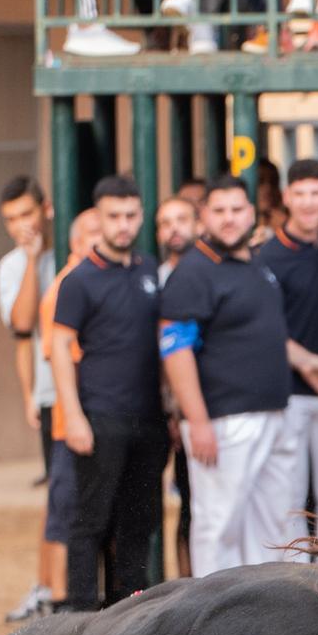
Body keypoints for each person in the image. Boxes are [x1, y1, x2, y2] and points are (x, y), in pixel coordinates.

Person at [161, 174, 318, 576]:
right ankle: (211, 623)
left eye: (237, 209)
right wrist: (198, 419)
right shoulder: (193, 272)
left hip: (274, 413)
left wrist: (306, 360)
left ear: (251, 213)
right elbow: (175, 349)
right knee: (219, 526)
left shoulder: (256, 264)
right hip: (223, 422)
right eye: (219, 210)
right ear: (204, 215)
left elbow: (266, 332)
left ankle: (256, 624)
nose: (229, 219)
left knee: (270, 528)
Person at [49, 175, 165, 612]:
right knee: (91, 521)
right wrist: (74, 416)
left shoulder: (151, 270)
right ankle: (79, 618)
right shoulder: (79, 279)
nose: (123, 225)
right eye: (114, 216)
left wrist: (169, 410)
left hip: (149, 418)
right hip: (100, 417)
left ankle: (130, 614)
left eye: (131, 215)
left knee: (140, 522)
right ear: (99, 218)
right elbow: (60, 347)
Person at [256, 158, 318, 551]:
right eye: (300, 193)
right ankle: (293, 583)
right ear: (287, 197)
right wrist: (305, 361)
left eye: (316, 193)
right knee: (289, 499)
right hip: (288, 395)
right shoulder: (267, 256)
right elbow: (264, 327)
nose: (308, 202)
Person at [0, 177, 64, 621]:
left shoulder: (76, 244)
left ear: (46, 209)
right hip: (50, 394)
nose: (21, 225)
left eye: (27, 213)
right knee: (59, 496)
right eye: (11, 219)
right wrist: (27, 396)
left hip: (91, 388)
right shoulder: (12, 266)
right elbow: (22, 328)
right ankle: (46, 589)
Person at [34, 207, 104, 612]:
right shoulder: (67, 286)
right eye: (92, 231)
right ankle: (58, 599)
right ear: (75, 242)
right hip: (70, 420)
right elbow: (65, 357)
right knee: (66, 510)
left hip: (94, 417)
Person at [155, 192, 201, 578]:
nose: (174, 229)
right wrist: (170, 407)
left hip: (208, 406)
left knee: (198, 505)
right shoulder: (154, 280)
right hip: (169, 408)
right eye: (166, 223)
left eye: (181, 220)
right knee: (181, 505)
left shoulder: (209, 271)